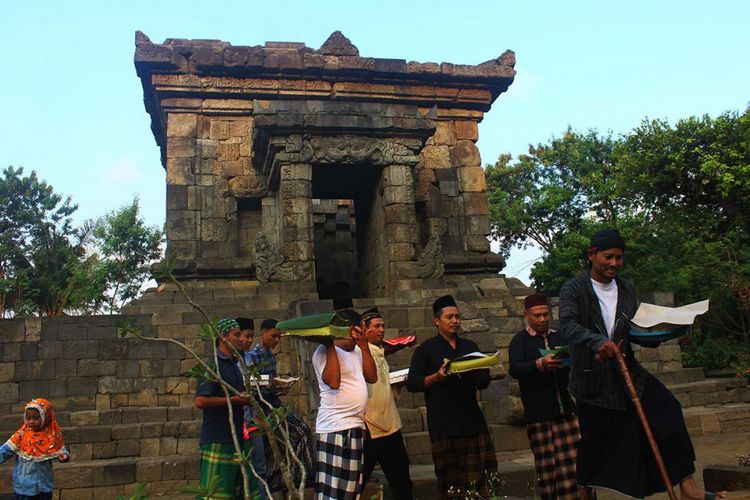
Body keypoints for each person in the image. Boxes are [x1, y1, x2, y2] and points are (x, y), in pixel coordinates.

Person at [558, 229, 726, 500]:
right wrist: (597, 342)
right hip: (592, 380)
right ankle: (583, 495)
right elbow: (567, 326)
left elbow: (634, 327)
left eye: (619, 258)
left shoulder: (626, 288)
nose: (614, 263)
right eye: (608, 257)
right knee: (594, 442)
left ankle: (688, 488)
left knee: (669, 410)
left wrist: (666, 331)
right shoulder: (574, 289)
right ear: (592, 255)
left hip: (628, 372)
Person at [406, 295, 497, 499]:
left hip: (472, 421)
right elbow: (413, 383)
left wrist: (473, 371)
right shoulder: (426, 350)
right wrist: (437, 377)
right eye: (449, 317)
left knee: (480, 482)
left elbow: (484, 380)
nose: (455, 321)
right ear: (437, 321)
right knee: (450, 484)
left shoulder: (470, 347)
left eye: (457, 317)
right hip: (443, 426)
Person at [509, 293, 580, 499]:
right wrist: (539, 364)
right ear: (527, 315)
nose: (542, 319)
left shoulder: (560, 337)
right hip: (539, 415)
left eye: (545, 314)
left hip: (566, 411)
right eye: (537, 315)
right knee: (547, 471)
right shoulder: (520, 341)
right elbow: (515, 368)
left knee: (575, 468)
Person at [311, 308, 377, 499]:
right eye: (360, 329)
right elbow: (333, 381)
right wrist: (330, 344)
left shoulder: (357, 350)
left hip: (355, 425)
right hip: (334, 427)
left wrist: (364, 346)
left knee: (350, 489)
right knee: (330, 490)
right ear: (349, 329)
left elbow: (372, 377)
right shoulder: (324, 351)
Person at [247, 319, 315, 493]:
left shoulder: (270, 355)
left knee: (300, 432)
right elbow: (254, 387)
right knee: (300, 431)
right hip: (262, 408)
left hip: (273, 403)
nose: (277, 340)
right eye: (274, 336)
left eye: (278, 337)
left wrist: (279, 389)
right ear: (263, 334)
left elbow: (269, 384)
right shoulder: (253, 356)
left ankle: (298, 474)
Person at [195, 317, 260, 499]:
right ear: (223, 338)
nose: (241, 339)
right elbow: (200, 401)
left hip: (237, 437)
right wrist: (234, 400)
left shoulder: (234, 364)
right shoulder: (213, 364)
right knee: (216, 494)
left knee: (241, 491)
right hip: (219, 438)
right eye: (236, 334)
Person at [360, 307, 414, 499]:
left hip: (389, 424)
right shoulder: (361, 354)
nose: (382, 330)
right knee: (357, 481)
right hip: (370, 426)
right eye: (376, 326)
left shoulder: (380, 353)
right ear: (364, 330)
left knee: (401, 478)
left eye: (383, 326)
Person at [0, 398, 69, 500]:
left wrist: (64, 456)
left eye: (36, 418)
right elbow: (4, 451)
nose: (31, 421)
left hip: (44, 487)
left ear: (46, 417)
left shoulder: (52, 437)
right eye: (28, 418)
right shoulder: (21, 436)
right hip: (24, 488)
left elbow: (61, 451)